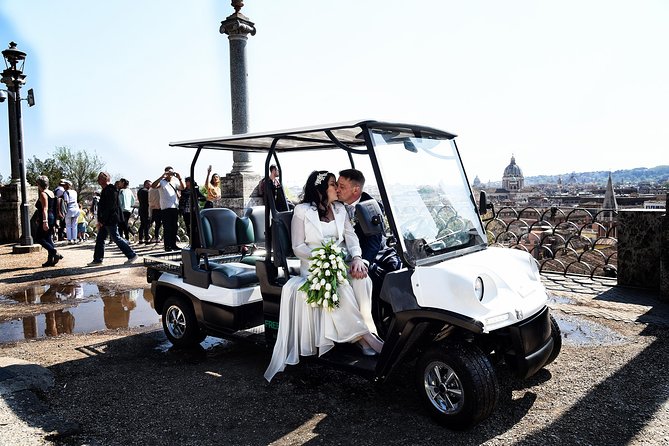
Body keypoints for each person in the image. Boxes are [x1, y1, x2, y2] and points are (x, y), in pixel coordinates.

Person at [264, 170, 383, 382]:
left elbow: (351, 237)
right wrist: (323, 257)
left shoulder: (340, 209)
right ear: (320, 189)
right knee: (341, 287)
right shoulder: (302, 211)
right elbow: (298, 246)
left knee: (362, 279)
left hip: (338, 262)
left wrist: (356, 258)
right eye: (332, 184)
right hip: (314, 266)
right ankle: (367, 339)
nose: (337, 188)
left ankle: (362, 334)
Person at [337, 169, 402, 297]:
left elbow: (374, 239)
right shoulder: (335, 205)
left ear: (355, 190)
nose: (337, 189)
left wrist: (364, 262)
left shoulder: (371, 206)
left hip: (375, 253)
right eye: (337, 185)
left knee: (388, 274)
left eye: (342, 186)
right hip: (347, 253)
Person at [88, 171, 139, 266]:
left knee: (116, 237)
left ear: (106, 179)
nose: (98, 180)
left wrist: (102, 220)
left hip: (110, 219)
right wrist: (100, 220)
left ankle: (131, 255)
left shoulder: (111, 190)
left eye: (101, 177)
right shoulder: (105, 190)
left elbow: (110, 207)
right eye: (98, 178)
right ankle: (98, 260)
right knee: (101, 238)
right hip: (105, 219)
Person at [152, 166, 184, 251]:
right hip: (165, 208)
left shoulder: (175, 181)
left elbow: (183, 188)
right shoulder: (162, 182)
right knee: (167, 228)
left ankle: (173, 245)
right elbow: (153, 186)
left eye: (172, 173)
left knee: (174, 227)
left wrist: (179, 178)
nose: (170, 174)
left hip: (174, 207)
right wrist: (162, 177)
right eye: (169, 172)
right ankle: (167, 246)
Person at [32, 175, 62, 267]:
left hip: (46, 218)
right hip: (51, 217)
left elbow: (45, 208)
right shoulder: (51, 193)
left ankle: (54, 252)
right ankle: (50, 260)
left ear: (39, 184)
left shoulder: (43, 194)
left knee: (39, 238)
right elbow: (53, 208)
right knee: (48, 238)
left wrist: (44, 221)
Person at [178, 176, 206, 244]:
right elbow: (182, 200)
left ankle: (196, 241)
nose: (187, 183)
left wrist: (197, 199)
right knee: (188, 226)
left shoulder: (195, 190)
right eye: (186, 182)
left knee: (195, 226)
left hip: (194, 212)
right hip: (186, 211)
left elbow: (203, 198)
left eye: (189, 182)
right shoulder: (184, 191)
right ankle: (190, 241)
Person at [59, 179, 80, 245]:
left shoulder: (66, 192)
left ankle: (70, 239)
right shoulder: (74, 192)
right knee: (74, 225)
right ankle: (75, 238)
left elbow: (66, 201)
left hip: (69, 208)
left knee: (68, 225)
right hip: (76, 208)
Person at [136, 180, 151, 244]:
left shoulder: (139, 191)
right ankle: (146, 239)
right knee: (146, 225)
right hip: (146, 209)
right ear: (146, 184)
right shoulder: (147, 191)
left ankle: (140, 239)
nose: (150, 186)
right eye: (149, 184)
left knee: (142, 224)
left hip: (141, 209)